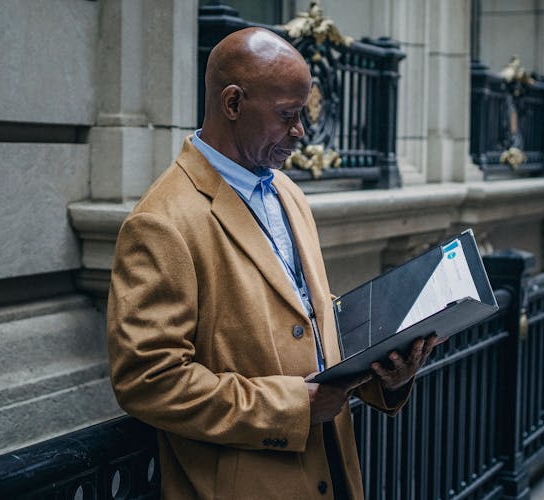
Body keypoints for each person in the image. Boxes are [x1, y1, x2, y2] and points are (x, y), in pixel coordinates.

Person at [107, 27, 437, 499]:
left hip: (334, 473)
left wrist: (386, 369)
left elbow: (306, 315)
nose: (301, 131)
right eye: (288, 115)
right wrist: (290, 407)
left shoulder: (288, 192)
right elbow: (148, 380)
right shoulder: (161, 222)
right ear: (233, 103)